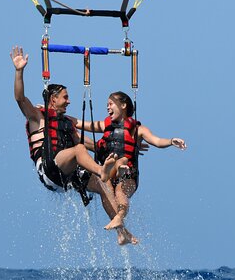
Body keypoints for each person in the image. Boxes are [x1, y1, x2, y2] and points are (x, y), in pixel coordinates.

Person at [11, 46, 140, 245]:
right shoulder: (38, 117)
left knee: (103, 184)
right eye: (65, 97)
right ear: (53, 100)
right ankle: (100, 170)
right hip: (49, 170)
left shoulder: (67, 124)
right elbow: (19, 98)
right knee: (85, 157)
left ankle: (121, 232)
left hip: (67, 174)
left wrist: (127, 145)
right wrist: (19, 71)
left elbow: (91, 144)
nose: (69, 101)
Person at [77, 91, 187, 231]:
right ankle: (122, 233)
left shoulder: (137, 129)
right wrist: (51, 114)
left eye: (110, 104)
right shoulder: (105, 126)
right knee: (106, 189)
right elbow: (79, 123)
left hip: (129, 175)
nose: (107, 108)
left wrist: (171, 141)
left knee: (120, 191)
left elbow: (157, 141)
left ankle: (119, 216)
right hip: (109, 173)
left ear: (123, 105)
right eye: (107, 105)